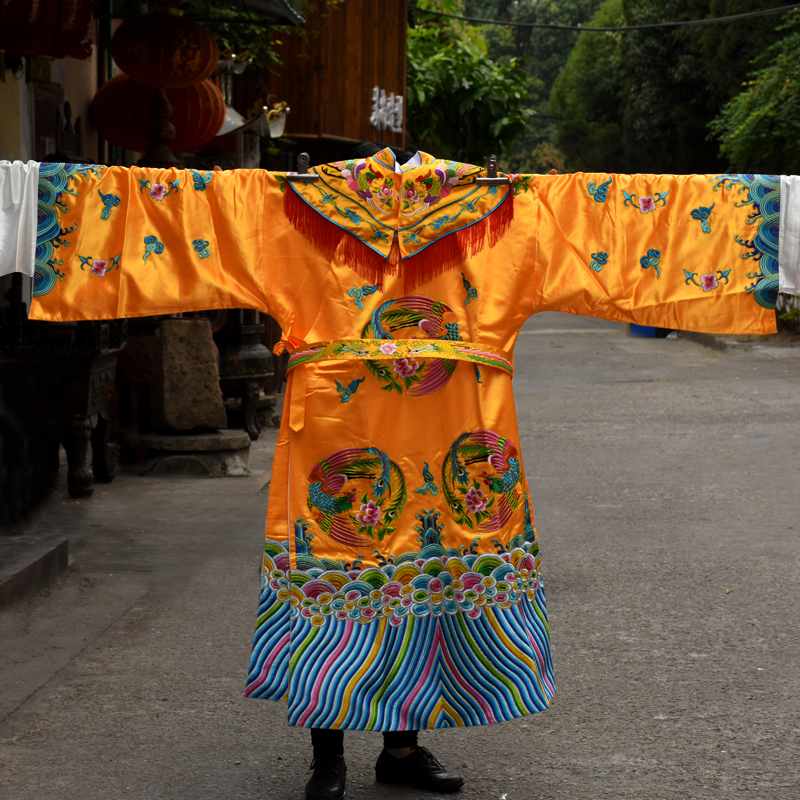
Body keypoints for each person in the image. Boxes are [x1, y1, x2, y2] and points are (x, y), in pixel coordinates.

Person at [1, 153, 796, 800]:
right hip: (345, 441)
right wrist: (21, 201)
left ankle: (402, 750)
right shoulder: (295, 207)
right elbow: (166, 212)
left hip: (455, 441)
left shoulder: (505, 207)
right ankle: (328, 755)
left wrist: (778, 216)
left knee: (427, 574)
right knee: (346, 568)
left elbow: (631, 221)